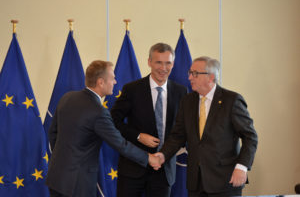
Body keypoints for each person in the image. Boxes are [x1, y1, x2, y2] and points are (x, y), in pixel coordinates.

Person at [45, 60, 161, 197]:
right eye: (112, 78)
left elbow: (53, 134)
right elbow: (120, 144)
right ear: (100, 82)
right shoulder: (98, 112)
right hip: (78, 184)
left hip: (56, 178)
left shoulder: (67, 97)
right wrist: (149, 158)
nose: (115, 82)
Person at [155, 56, 258, 197]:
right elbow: (178, 136)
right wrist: (162, 155)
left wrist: (242, 166)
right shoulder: (187, 101)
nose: (190, 77)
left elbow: (250, 137)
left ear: (211, 77)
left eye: (195, 74)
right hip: (195, 183)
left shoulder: (231, 100)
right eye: (190, 73)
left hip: (224, 181)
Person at [110, 43, 187, 197]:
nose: (163, 68)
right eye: (158, 62)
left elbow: (182, 129)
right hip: (133, 168)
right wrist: (138, 135)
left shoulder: (181, 91)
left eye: (168, 63)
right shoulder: (132, 89)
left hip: (164, 170)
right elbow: (113, 121)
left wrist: (164, 154)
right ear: (149, 62)